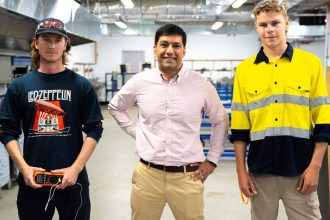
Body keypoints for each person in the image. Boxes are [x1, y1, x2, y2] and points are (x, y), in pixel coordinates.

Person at [108, 24, 228, 219]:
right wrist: (137, 132)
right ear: (155, 48)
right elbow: (115, 107)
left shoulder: (201, 85)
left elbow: (221, 120)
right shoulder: (140, 82)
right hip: (147, 175)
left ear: (184, 51)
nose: (169, 51)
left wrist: (212, 160)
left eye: (176, 45)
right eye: (164, 44)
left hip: (188, 176)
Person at [230, 0, 330, 219]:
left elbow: (323, 122)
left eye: (275, 23)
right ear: (256, 27)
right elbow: (239, 128)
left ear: (287, 23)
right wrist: (241, 172)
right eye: (263, 25)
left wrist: (315, 167)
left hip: (301, 170)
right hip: (260, 172)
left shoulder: (310, 64)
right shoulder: (244, 70)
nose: (270, 30)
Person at [0, 18, 103, 220]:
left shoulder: (81, 86)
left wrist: (76, 169)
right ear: (36, 43)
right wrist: (23, 168)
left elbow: (94, 129)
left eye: (58, 40)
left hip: (73, 182)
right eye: (46, 39)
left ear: (65, 45)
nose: (52, 45)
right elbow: (6, 130)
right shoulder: (19, 87)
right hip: (33, 181)